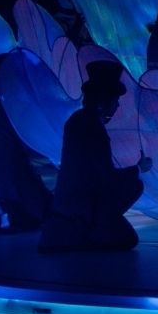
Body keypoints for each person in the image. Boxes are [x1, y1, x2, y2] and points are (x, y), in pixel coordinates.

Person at [38, 60, 151, 253]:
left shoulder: (79, 120)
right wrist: (138, 168)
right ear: (104, 99)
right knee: (133, 190)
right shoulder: (92, 127)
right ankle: (88, 231)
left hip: (72, 202)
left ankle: (93, 227)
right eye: (115, 100)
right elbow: (105, 177)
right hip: (81, 207)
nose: (117, 106)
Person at [0, 53, 52, 233]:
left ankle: (17, 216)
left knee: (14, 186)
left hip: (7, 160)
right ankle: (15, 217)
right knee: (10, 188)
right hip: (4, 160)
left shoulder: (3, 106)